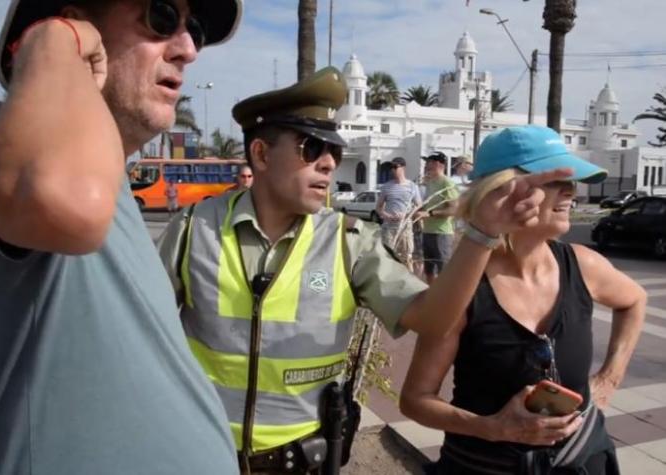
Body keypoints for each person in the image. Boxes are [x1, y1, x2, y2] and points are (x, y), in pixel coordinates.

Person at [158, 69, 573, 475]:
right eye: (310, 148)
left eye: (334, 152)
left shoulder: (348, 241)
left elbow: (433, 319)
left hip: (302, 462)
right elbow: (141, 335)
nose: (327, 164)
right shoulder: (196, 228)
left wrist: (481, 233)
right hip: (202, 453)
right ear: (262, 155)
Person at [0, 1, 243, 473]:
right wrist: (54, 37)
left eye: (194, 30)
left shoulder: (113, 184)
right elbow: (64, 202)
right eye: (160, 18)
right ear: (79, 23)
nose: (187, 50)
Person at [400, 125, 647, 475]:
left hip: (580, 461)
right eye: (553, 181)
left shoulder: (583, 264)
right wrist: (493, 428)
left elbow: (634, 301)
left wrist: (609, 378)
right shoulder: (463, 289)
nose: (570, 191)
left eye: (572, 181)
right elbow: (415, 401)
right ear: (500, 190)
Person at [415, 151, 459, 284]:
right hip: (427, 231)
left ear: (438, 164)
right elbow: (426, 207)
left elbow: (454, 209)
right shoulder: (430, 183)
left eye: (429, 162)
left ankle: (444, 300)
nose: (426, 166)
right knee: (429, 271)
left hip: (442, 233)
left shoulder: (447, 183)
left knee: (443, 270)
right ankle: (431, 299)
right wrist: (416, 212)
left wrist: (430, 214)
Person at [376, 156, 422, 274]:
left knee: (407, 256)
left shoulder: (412, 186)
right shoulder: (386, 186)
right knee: (388, 255)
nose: (393, 170)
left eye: (395, 167)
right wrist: (386, 215)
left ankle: (409, 283)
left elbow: (419, 206)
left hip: (405, 227)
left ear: (403, 168)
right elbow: (378, 208)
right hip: (389, 228)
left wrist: (407, 215)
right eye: (391, 167)